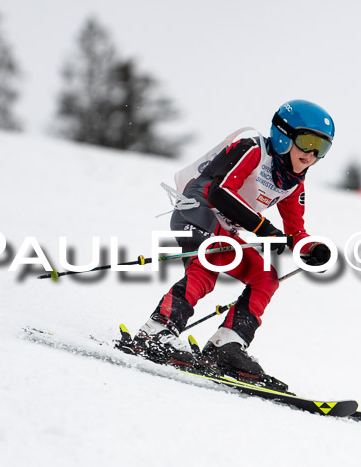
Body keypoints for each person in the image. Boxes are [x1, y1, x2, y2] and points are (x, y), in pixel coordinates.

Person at [118, 100, 334, 386]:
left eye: (322, 148)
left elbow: (295, 231)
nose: (311, 154)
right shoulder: (253, 148)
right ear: (283, 134)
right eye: (307, 141)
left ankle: (227, 345)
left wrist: (312, 249)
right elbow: (221, 193)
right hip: (196, 208)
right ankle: (157, 330)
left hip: (225, 228)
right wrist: (264, 229)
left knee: (266, 277)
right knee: (208, 265)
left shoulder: (293, 183)